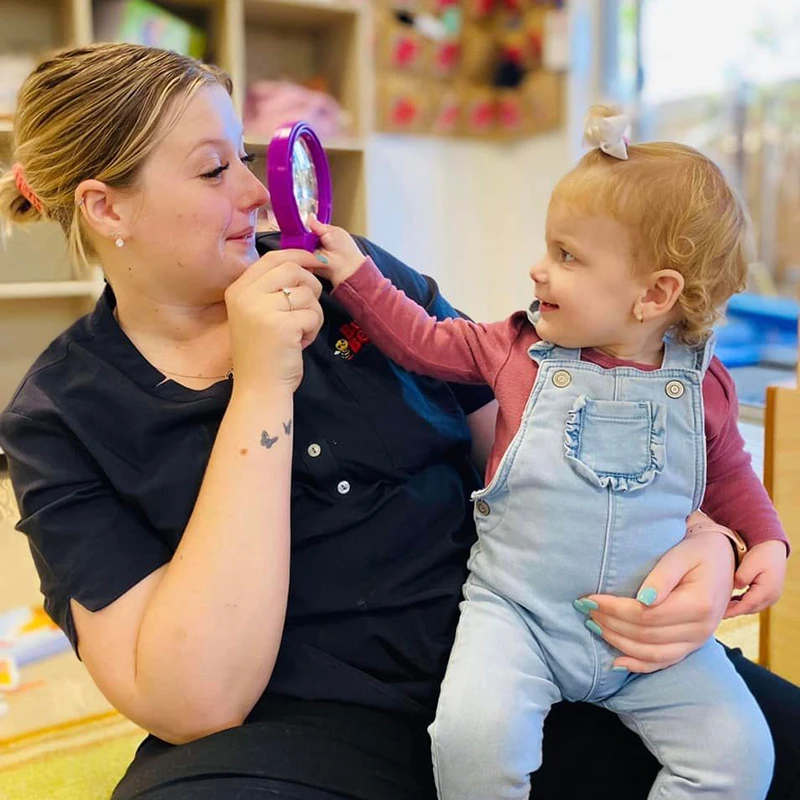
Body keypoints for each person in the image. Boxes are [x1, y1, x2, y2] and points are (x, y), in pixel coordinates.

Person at [0, 45, 797, 800]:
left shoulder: (349, 275)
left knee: (765, 750)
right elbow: (194, 702)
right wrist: (263, 387)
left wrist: (708, 543)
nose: (253, 192)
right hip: (300, 723)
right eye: (214, 169)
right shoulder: (60, 415)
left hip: (528, 644)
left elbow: (548, 435)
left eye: (244, 158)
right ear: (106, 207)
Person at [303, 106, 792, 800]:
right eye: (547, 247)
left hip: (645, 640)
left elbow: (731, 474)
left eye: (567, 257)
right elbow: (419, 340)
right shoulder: (516, 350)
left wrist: (767, 541)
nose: (538, 270)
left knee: (741, 755)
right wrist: (356, 275)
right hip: (517, 618)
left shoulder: (700, 384)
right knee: (471, 741)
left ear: (654, 295)